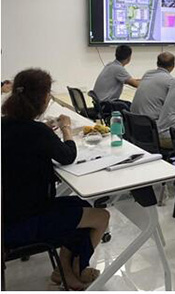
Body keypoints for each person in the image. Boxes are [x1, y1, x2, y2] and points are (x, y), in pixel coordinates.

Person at [2, 69, 110, 290]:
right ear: (42, 99)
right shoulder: (37, 132)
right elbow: (67, 155)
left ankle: (64, 271)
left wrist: (46, 133)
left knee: (80, 205)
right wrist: (66, 129)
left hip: (10, 213)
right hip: (24, 222)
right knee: (101, 217)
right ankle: (76, 268)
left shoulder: (6, 125)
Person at [130, 52, 175, 121]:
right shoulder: (170, 80)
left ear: (157, 63)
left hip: (132, 119)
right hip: (151, 122)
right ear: (173, 66)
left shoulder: (148, 73)